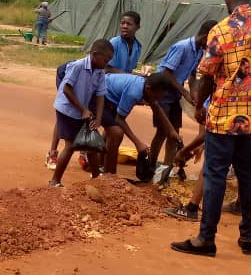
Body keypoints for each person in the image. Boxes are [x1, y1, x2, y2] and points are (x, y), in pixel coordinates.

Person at [171, 0, 251, 257]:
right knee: (247, 175)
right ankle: (247, 238)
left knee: (215, 173)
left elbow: (206, 77)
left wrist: (198, 105)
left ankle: (206, 239)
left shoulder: (221, 30)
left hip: (223, 115)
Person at [149, 19, 219, 171]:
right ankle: (150, 166)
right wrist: (185, 92)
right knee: (162, 132)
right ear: (206, 36)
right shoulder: (182, 47)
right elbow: (166, 72)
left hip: (174, 95)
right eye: (213, 39)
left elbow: (192, 76)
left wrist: (194, 95)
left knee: (174, 133)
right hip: (162, 93)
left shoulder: (200, 51)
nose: (214, 45)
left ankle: (166, 168)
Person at [48, 39, 113, 188]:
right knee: (70, 145)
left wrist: (99, 118)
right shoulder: (77, 66)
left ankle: (97, 178)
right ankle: (55, 181)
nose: (107, 63)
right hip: (67, 109)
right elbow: (66, 89)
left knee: (90, 145)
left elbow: (101, 96)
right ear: (95, 54)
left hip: (82, 111)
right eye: (106, 59)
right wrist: (82, 110)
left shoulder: (100, 72)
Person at [102, 71, 181, 174]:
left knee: (112, 132)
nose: (157, 99)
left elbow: (156, 106)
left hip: (110, 97)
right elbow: (119, 119)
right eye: (157, 96)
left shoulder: (146, 87)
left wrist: (171, 131)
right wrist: (137, 143)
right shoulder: (134, 93)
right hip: (98, 94)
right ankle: (109, 176)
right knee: (116, 134)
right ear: (148, 89)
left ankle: (101, 166)